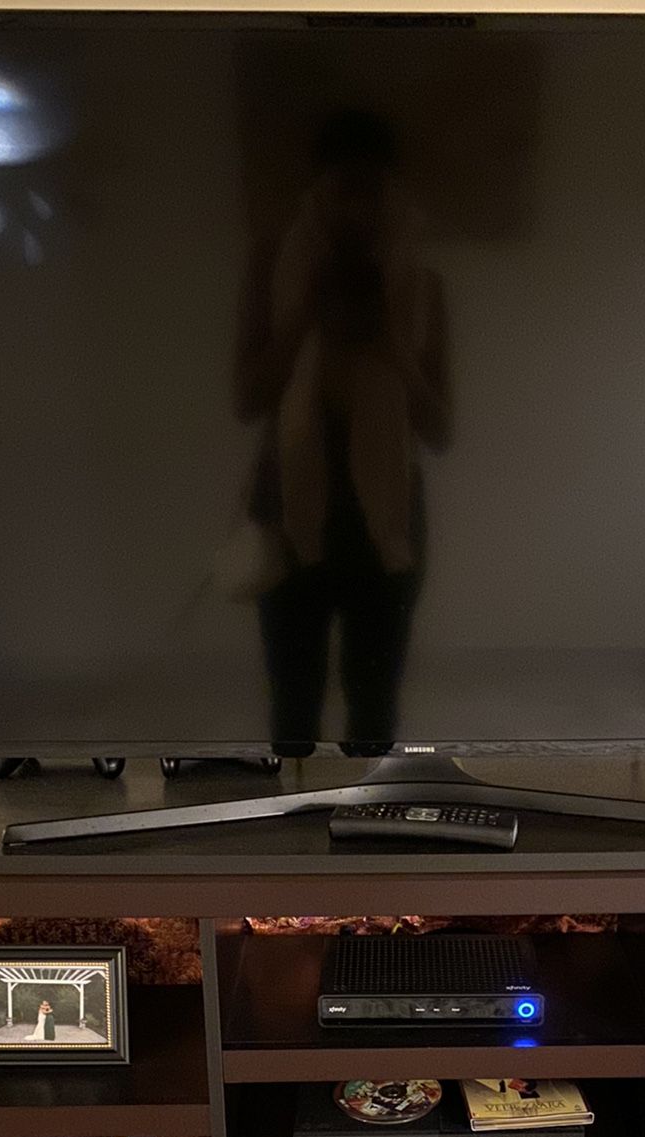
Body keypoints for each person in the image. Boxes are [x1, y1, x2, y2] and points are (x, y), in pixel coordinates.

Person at [232, 109, 452, 753]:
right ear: (317, 192)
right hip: (288, 509)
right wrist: (304, 315)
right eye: (341, 190)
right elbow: (247, 401)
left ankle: (375, 839)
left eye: (370, 190)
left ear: (391, 194)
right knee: (292, 709)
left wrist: (394, 345)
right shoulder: (273, 268)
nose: (355, 209)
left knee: (375, 709)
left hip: (387, 519)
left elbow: (439, 430)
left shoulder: (420, 286)